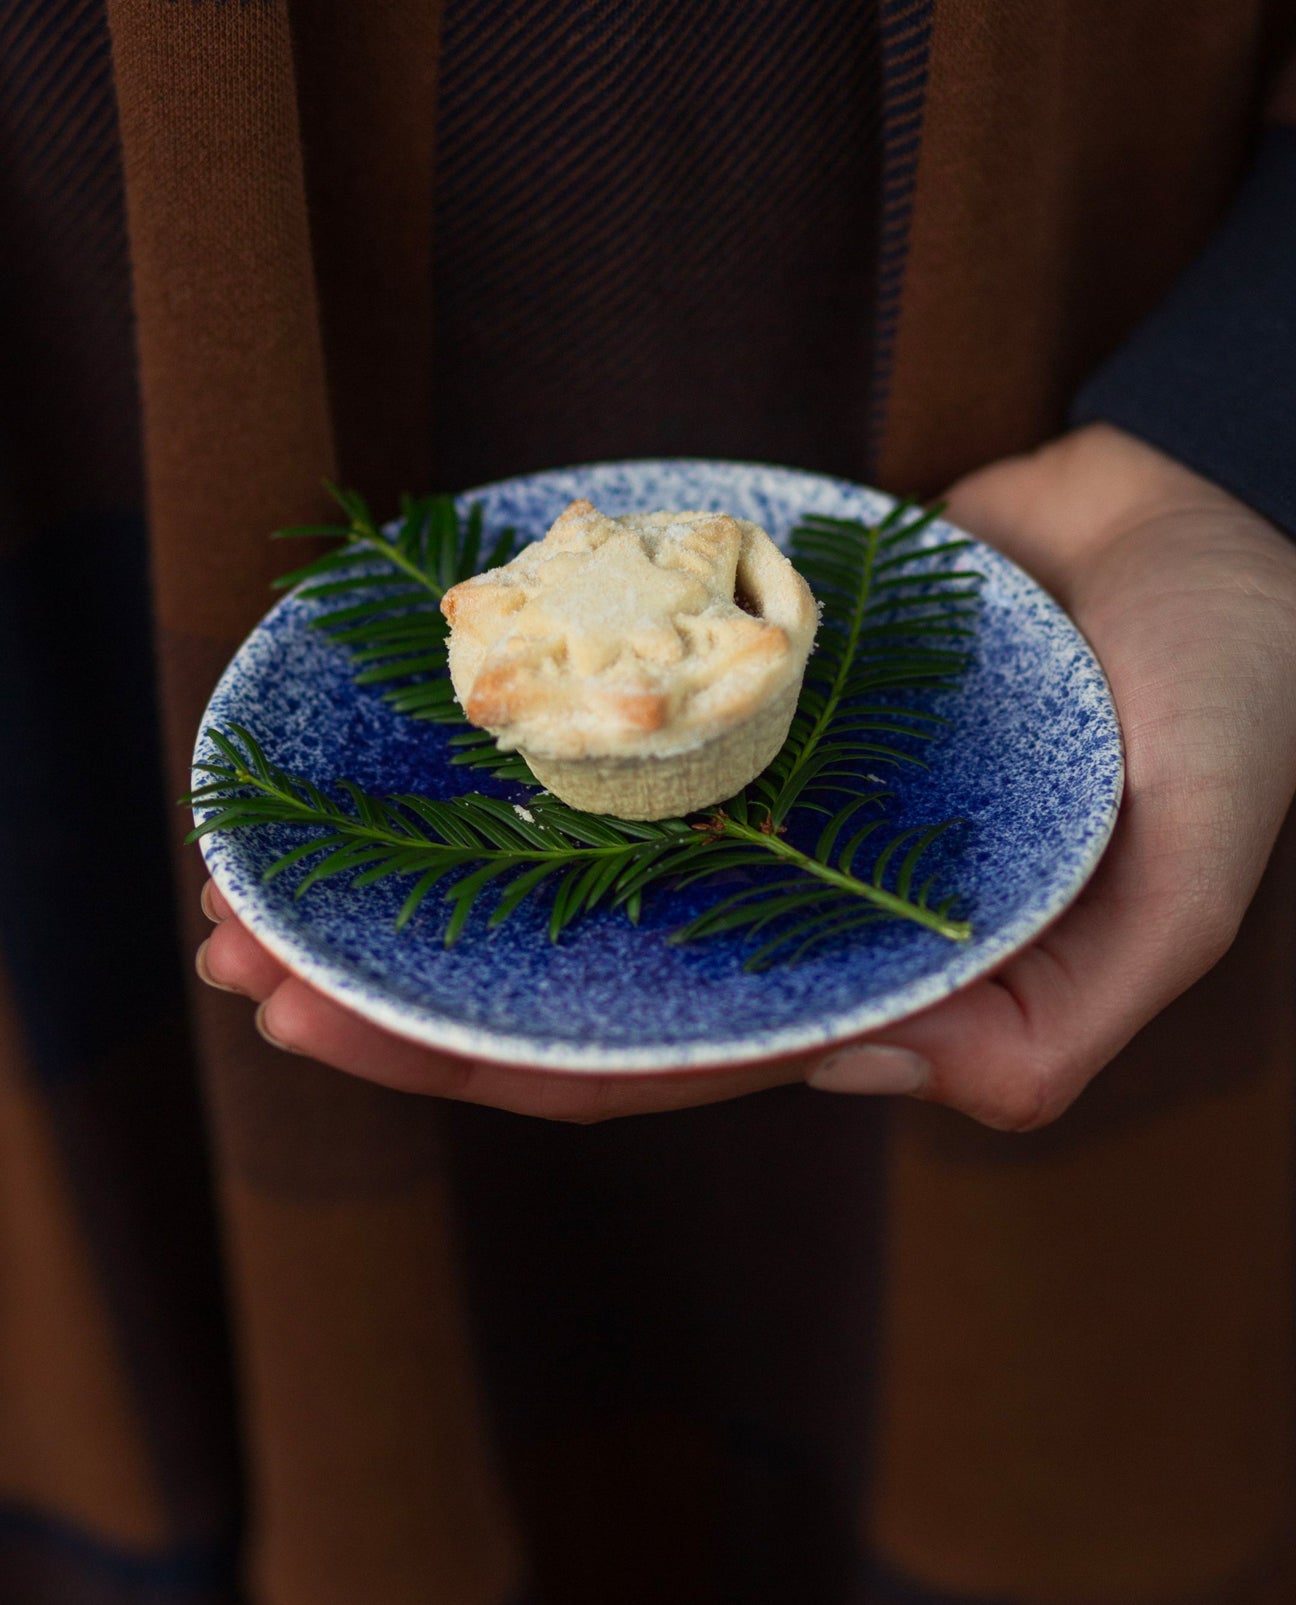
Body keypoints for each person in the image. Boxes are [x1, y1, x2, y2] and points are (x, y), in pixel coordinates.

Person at [3, 3, 1294, 1602]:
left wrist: (1240, 418)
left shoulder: (752, 615)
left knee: (993, 1347)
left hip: (1080, 281)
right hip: (87, 344)